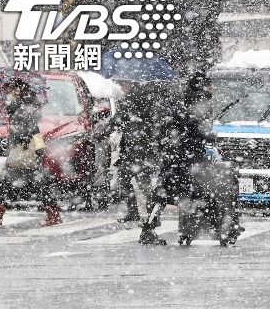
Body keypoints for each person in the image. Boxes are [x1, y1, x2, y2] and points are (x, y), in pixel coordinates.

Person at [139, 72, 218, 246]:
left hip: (174, 157)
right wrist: (207, 137)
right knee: (198, 193)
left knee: (164, 194)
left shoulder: (181, 102)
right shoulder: (199, 104)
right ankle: (200, 230)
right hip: (189, 158)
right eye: (209, 84)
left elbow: (169, 128)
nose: (212, 87)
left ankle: (150, 229)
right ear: (202, 86)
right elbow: (196, 130)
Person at [92, 79, 170, 223]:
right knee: (132, 181)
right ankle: (147, 214)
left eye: (122, 84)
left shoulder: (132, 101)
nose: (121, 87)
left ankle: (147, 214)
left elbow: (116, 121)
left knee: (137, 182)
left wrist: (100, 135)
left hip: (138, 149)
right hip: (140, 148)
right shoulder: (145, 99)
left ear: (130, 84)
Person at [0, 78, 62, 228]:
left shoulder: (23, 107)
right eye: (7, 89)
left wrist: (22, 139)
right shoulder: (19, 106)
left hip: (24, 150)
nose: (8, 92)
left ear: (19, 90)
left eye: (11, 89)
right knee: (10, 182)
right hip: (22, 150)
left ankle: (53, 213)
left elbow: (32, 129)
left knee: (33, 183)